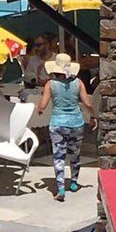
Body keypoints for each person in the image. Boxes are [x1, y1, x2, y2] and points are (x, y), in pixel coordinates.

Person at [36, 53, 95, 201]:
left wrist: (39, 109)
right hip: (76, 122)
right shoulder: (79, 82)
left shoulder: (50, 84)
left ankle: (61, 188)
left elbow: (42, 105)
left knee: (58, 156)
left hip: (57, 123)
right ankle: (74, 182)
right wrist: (94, 116)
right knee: (75, 154)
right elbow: (87, 103)